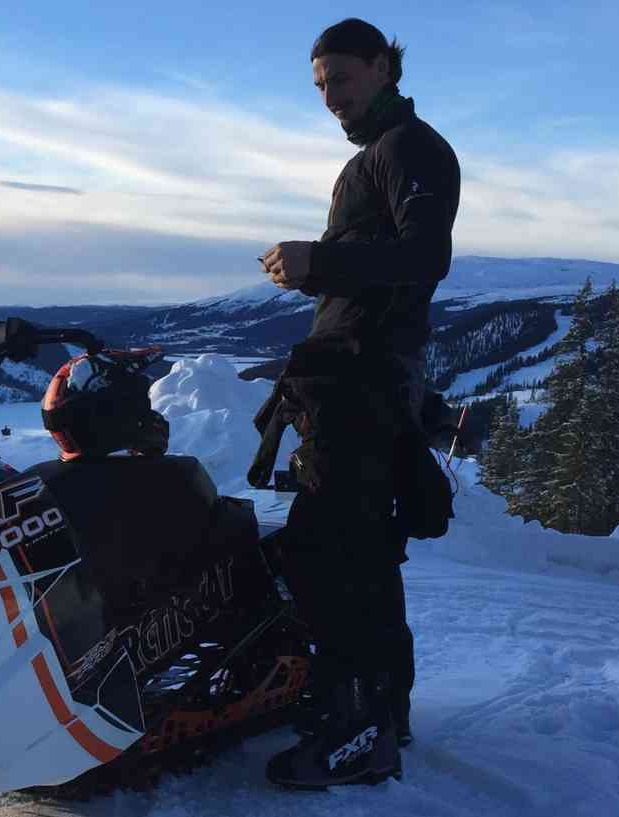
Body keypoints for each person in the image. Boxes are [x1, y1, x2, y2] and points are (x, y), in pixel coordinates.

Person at [256, 18, 460, 788]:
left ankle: (357, 728)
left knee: (331, 550)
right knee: (359, 551)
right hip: (352, 379)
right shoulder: (379, 155)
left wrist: (319, 262)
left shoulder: (409, 149)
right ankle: (374, 712)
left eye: (341, 78)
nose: (330, 98)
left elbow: (425, 254)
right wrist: (321, 273)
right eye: (320, 85)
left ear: (382, 67)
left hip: (363, 384)